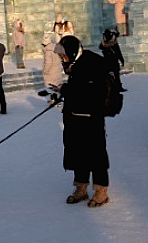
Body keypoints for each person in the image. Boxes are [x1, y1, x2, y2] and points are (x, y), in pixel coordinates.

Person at [54, 35, 110, 207]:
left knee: (96, 153)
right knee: (76, 152)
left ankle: (101, 190)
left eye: (64, 56)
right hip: (74, 117)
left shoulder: (93, 63)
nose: (62, 60)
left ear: (72, 52)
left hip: (91, 118)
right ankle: (81, 187)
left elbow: (89, 92)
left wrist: (66, 89)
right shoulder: (76, 64)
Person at [99, 29, 127, 93]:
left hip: (107, 60)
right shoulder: (114, 42)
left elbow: (100, 47)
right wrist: (122, 60)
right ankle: (118, 87)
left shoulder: (103, 42)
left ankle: (108, 87)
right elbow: (118, 52)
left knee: (107, 75)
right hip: (113, 60)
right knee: (116, 75)